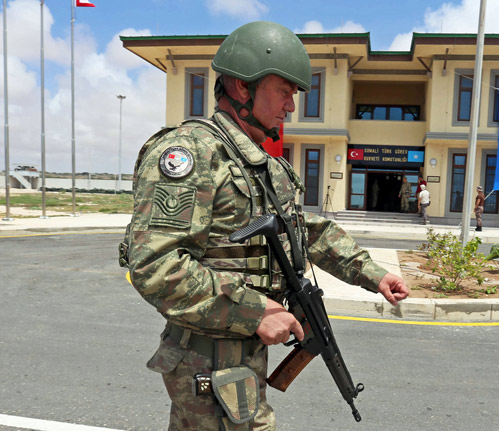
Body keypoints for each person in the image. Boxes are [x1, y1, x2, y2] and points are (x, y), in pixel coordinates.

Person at [119, 21, 409, 431]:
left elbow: (305, 230)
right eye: (284, 91)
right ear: (242, 87)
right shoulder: (192, 154)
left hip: (242, 355)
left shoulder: (263, 166)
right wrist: (255, 311)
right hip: (209, 359)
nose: (291, 105)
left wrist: (371, 274)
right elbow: (156, 267)